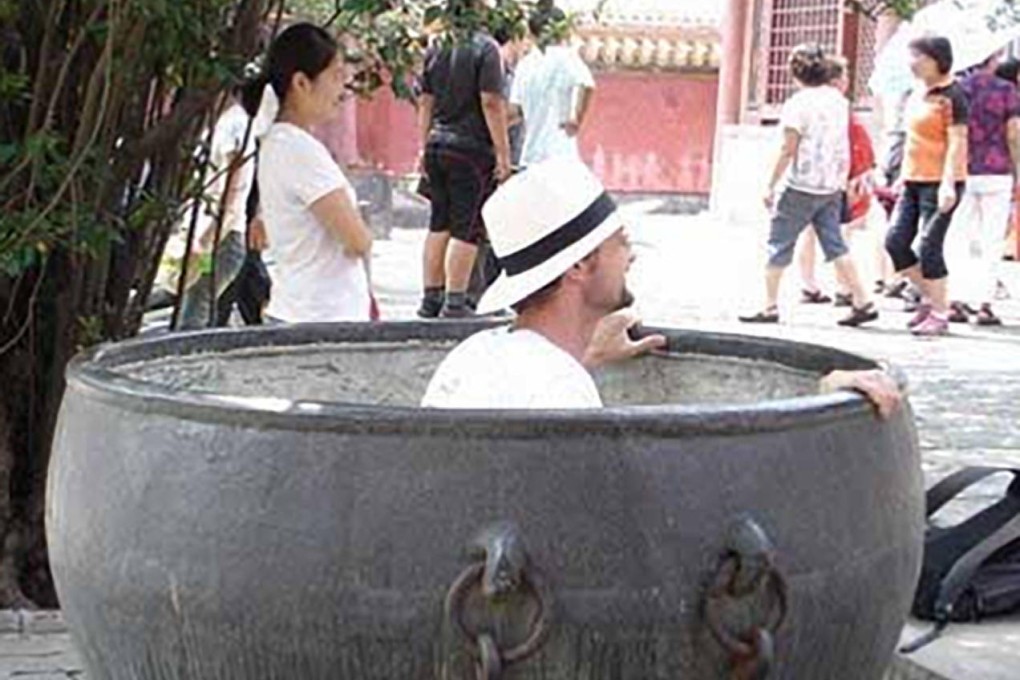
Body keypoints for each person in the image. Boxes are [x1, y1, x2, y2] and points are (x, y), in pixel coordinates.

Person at [422, 158, 902, 418]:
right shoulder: (559, 390)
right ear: (579, 267)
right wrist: (814, 397)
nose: (630, 256)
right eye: (620, 244)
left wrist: (587, 358)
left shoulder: (477, 352)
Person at [740, 44, 878, 328]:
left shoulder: (797, 104)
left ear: (795, 72)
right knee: (836, 245)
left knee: (778, 243)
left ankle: (768, 305)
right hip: (830, 186)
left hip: (801, 184)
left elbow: (788, 148)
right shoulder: (839, 101)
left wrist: (770, 184)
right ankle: (863, 299)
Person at [257, 24, 374, 324]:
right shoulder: (299, 151)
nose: (342, 89)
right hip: (320, 321)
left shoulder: (280, 142)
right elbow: (356, 240)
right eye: (335, 76)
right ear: (301, 83)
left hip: (303, 310)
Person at [417, 0, 512, 319]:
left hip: (436, 145)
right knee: (467, 226)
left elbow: (425, 103)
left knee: (438, 222)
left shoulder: (435, 46)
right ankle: (455, 302)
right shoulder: (487, 49)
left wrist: (422, 146)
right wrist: (503, 153)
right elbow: (491, 103)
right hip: (470, 149)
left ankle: (430, 298)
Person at [885, 35, 969, 337]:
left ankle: (939, 312)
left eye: (918, 58)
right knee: (895, 241)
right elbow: (913, 140)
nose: (913, 65)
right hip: (912, 181)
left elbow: (957, 143)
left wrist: (949, 183)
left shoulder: (953, 96)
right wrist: (901, 176)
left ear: (936, 59)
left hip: (941, 181)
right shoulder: (916, 94)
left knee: (929, 246)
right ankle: (934, 297)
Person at [177, 80, 265, 330]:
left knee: (193, 315)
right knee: (195, 309)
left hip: (221, 238)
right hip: (212, 233)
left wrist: (205, 240)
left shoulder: (234, 124)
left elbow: (232, 191)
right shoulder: (219, 122)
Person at [797, 56, 877, 308]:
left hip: (805, 177)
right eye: (844, 77)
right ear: (834, 81)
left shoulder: (802, 105)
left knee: (808, 232)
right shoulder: (839, 108)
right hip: (833, 179)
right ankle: (846, 288)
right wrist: (858, 174)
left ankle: (808, 283)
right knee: (839, 235)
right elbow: (854, 145)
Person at [946, 52, 1019, 326]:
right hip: (997, 171)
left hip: (963, 169)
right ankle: (984, 304)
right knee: (992, 239)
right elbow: (1013, 133)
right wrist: (1017, 169)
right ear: (993, 59)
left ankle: (955, 300)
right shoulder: (1006, 90)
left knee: (959, 237)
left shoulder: (957, 89)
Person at [509, 2, 595, 167]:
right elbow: (588, 85)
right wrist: (576, 118)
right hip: (560, 155)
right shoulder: (566, 57)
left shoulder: (525, 64)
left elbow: (515, 111)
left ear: (531, 34)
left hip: (530, 155)